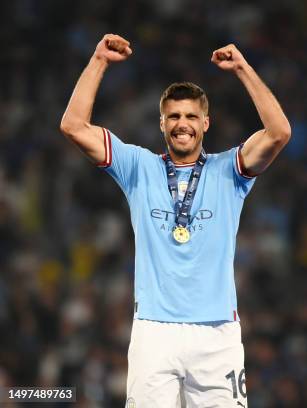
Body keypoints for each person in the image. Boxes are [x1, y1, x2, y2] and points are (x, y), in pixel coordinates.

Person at [60, 33, 291, 407]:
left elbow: (279, 133)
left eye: (190, 116)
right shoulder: (139, 167)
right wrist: (99, 60)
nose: (182, 123)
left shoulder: (229, 171)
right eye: (174, 116)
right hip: (155, 332)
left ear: (205, 123)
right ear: (162, 123)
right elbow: (73, 126)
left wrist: (244, 70)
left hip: (217, 334)